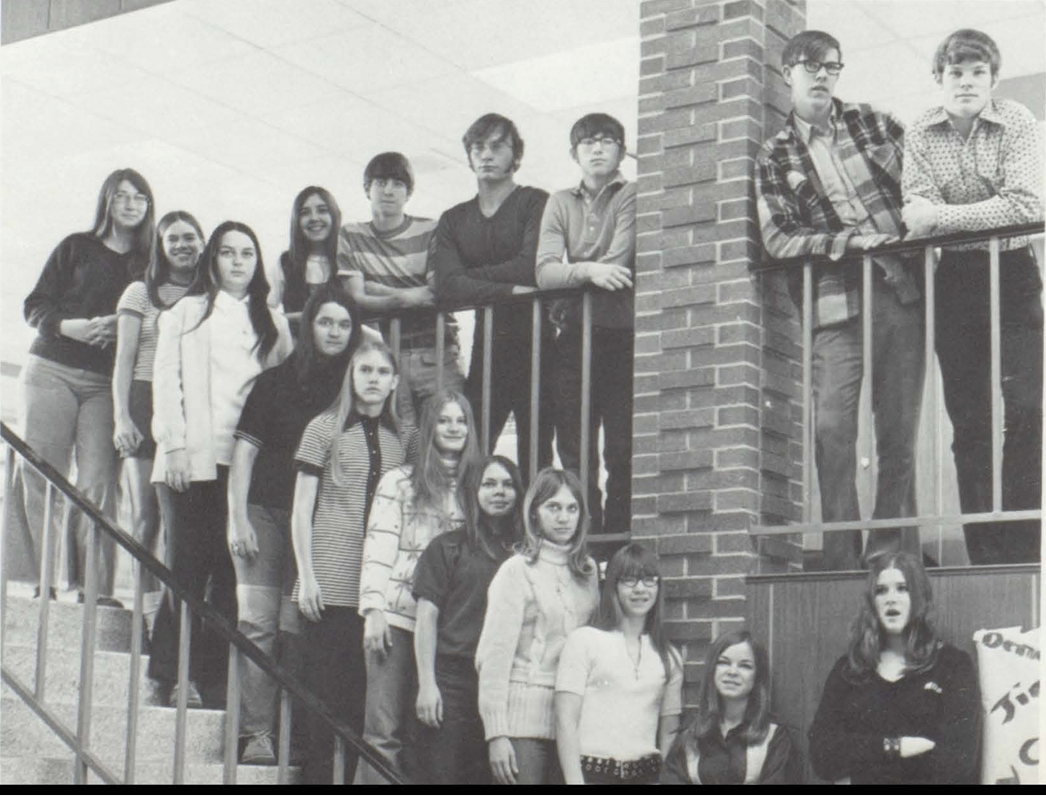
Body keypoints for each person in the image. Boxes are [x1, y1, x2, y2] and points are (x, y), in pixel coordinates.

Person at [755, 30, 926, 570]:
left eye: (832, 65)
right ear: (788, 74)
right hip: (832, 302)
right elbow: (778, 238)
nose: (823, 74)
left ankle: (890, 557)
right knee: (832, 428)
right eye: (810, 65)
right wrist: (846, 243)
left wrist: (912, 228)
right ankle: (838, 558)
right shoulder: (775, 154)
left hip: (899, 288)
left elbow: (922, 191)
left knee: (898, 429)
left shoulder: (878, 122)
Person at [902, 28, 1043, 565]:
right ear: (940, 78)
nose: (965, 82)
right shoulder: (920, 131)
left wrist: (943, 215)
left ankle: (1023, 547)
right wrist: (947, 219)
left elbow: (1026, 207)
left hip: (1013, 273)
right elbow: (917, 220)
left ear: (993, 80)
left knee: (1027, 409)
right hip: (956, 281)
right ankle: (984, 551)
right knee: (971, 422)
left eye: (976, 72)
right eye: (955, 72)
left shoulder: (1018, 123)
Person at [148, 221, 292, 708]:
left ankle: (210, 682)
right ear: (213, 259)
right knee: (186, 570)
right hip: (190, 460)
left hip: (245, 463)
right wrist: (172, 448)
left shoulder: (271, 320)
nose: (237, 262)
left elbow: (279, 394)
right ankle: (172, 675)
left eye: (247, 253)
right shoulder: (185, 311)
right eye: (227, 252)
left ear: (257, 262)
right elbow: (166, 382)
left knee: (231, 580)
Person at [227, 284, 360, 764]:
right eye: (326, 322)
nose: (335, 332)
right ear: (309, 326)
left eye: (344, 324)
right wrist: (236, 517)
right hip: (263, 514)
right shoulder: (274, 382)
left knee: (298, 628)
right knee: (258, 624)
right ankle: (256, 734)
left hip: (317, 527)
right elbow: (244, 453)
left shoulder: (353, 390)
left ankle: (293, 736)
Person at [16, 168, 154, 605]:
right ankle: (40, 582)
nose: (131, 204)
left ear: (149, 205)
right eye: (122, 196)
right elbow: (35, 305)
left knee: (98, 483)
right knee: (42, 473)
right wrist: (70, 327)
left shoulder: (151, 263)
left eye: (139, 197)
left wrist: (122, 324)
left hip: (104, 383)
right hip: (51, 368)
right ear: (107, 202)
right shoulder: (77, 246)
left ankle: (93, 589)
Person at [290, 340, 416, 784]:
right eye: (365, 370)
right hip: (331, 581)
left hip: (377, 594)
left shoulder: (405, 438)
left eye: (383, 372)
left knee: (368, 709)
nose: (374, 379)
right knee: (323, 705)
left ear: (395, 381)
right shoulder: (324, 428)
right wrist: (306, 576)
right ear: (351, 375)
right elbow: (302, 508)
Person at [354, 389, 480, 784]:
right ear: (429, 427)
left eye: (461, 420)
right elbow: (379, 544)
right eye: (444, 420)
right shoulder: (400, 481)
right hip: (397, 617)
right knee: (382, 731)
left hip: (447, 628)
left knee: (426, 734)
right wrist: (372, 610)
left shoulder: (477, 487)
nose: (454, 428)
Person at [432, 113, 554, 482]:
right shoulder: (454, 218)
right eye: (478, 147)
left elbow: (529, 266)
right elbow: (447, 286)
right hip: (489, 346)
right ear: (469, 156)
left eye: (497, 146)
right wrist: (506, 290)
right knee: (475, 448)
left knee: (537, 452)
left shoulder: (535, 202)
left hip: (537, 341)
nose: (486, 154)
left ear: (515, 154)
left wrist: (469, 278)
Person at [536, 112, 636, 535]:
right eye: (588, 142)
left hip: (621, 334)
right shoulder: (560, 201)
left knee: (620, 447)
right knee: (574, 447)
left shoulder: (632, 194)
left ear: (621, 149)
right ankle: (584, 538)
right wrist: (590, 273)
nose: (597, 148)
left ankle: (615, 540)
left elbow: (620, 261)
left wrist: (577, 269)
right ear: (574, 152)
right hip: (575, 336)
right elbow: (543, 271)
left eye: (607, 140)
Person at [807, 551, 981, 784]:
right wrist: (895, 747)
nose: (891, 598)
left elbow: (958, 762)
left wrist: (858, 775)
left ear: (919, 597)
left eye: (902, 588)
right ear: (872, 602)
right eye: (881, 590)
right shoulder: (849, 668)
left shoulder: (953, 664)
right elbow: (822, 753)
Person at [475, 467, 599, 785]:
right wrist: (496, 734)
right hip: (521, 727)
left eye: (572, 509)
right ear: (534, 514)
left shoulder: (587, 572)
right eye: (553, 507)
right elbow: (493, 659)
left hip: (572, 726)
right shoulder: (516, 570)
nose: (563, 517)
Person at [112, 210, 205, 630]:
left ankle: (173, 614)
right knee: (147, 515)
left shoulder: (209, 294)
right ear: (161, 247)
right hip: (144, 398)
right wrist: (121, 418)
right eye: (174, 239)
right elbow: (124, 362)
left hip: (191, 405)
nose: (183, 245)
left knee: (181, 523)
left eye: (191, 237)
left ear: (202, 243)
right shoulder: (139, 293)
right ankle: (142, 610)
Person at [413, 454, 526, 785]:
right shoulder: (446, 547)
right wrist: (427, 684)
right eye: (489, 484)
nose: (499, 492)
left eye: (507, 485)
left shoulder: (523, 552)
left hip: (506, 683)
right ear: (472, 491)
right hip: (453, 680)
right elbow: (426, 618)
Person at [338, 152, 465, 427]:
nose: (388, 190)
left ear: (408, 192)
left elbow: (434, 294)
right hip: (388, 357)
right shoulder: (350, 235)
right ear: (366, 188)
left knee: (449, 442)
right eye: (380, 182)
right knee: (400, 447)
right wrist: (406, 296)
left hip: (437, 355)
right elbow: (356, 300)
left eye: (398, 183)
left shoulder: (430, 230)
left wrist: (375, 288)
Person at [555, 542, 683, 785]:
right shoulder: (584, 641)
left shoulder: (669, 656)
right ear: (613, 585)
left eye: (648, 580)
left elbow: (669, 732)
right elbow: (565, 720)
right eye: (629, 580)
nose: (640, 589)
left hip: (647, 776)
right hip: (593, 775)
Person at [661, 630, 798, 785]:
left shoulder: (774, 736)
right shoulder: (690, 734)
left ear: (757, 676)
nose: (732, 672)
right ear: (713, 670)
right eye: (724, 662)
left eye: (745, 666)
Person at [268, 186, 342, 316]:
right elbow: (264, 308)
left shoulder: (349, 259)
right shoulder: (285, 262)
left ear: (334, 215)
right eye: (305, 212)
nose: (314, 218)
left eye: (322, 210)